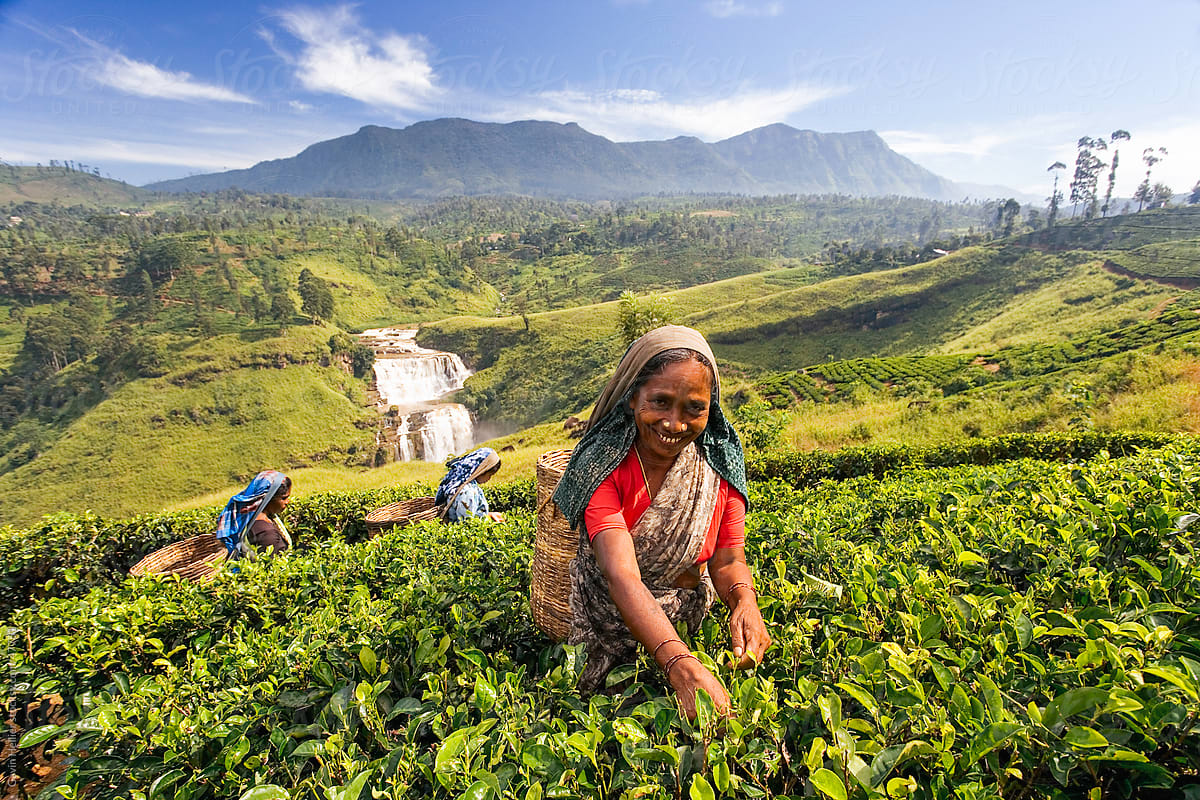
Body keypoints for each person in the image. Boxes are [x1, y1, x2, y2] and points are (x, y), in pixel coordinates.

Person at [552, 325, 771, 718]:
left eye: (694, 408)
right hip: (610, 625)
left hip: (689, 624)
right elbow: (622, 576)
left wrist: (744, 601)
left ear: (711, 408)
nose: (674, 423)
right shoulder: (602, 469)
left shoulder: (717, 469)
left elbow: (728, 561)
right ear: (632, 398)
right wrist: (680, 665)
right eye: (660, 402)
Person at [215, 470, 293, 559]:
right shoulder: (267, 533)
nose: (287, 502)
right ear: (268, 498)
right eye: (284, 498)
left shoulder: (249, 517)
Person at [436, 448, 505, 522]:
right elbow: (467, 523)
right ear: (481, 470)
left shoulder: (464, 483)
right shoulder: (466, 492)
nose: (489, 479)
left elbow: (472, 513)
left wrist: (489, 515)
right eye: (489, 475)